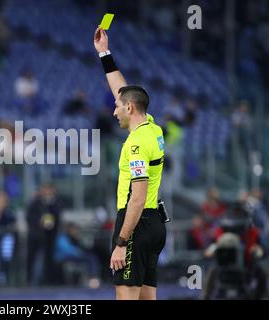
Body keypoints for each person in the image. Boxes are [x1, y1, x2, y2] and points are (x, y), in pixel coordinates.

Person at [94, 27, 167, 300]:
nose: (113, 110)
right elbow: (123, 91)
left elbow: (137, 198)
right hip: (155, 222)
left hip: (136, 222)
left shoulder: (135, 144)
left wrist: (121, 242)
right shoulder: (153, 128)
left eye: (117, 106)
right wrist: (105, 54)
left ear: (130, 109)